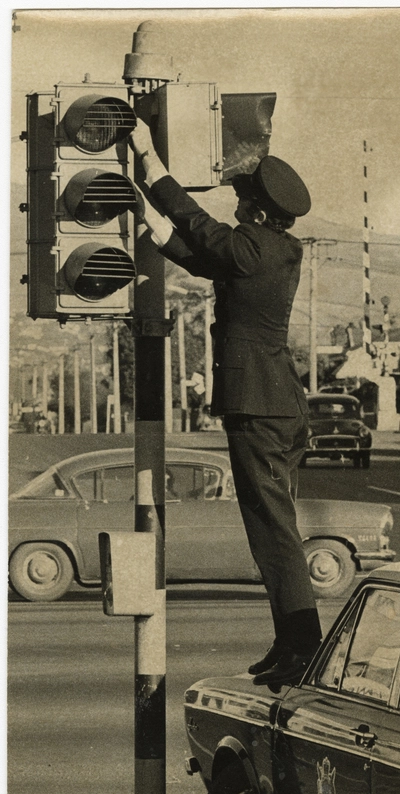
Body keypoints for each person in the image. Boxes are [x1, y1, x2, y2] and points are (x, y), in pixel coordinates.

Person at [130, 120, 322, 688]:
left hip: (260, 406)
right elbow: (202, 253)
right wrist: (152, 225)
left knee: (274, 530)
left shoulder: (252, 247)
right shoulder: (270, 249)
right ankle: (291, 642)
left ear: (260, 211)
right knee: (270, 529)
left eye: (243, 200)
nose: (236, 205)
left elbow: (201, 227)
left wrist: (151, 162)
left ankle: (305, 647)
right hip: (275, 403)